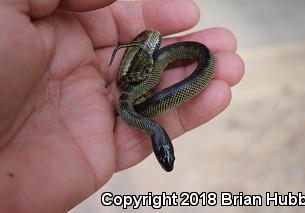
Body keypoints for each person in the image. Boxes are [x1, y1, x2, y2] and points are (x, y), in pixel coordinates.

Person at [0, 0, 244, 212]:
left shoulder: (134, 112)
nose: (163, 157)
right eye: (164, 156)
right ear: (162, 143)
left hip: (146, 82)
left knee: (200, 60)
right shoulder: (133, 112)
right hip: (138, 87)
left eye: (163, 156)